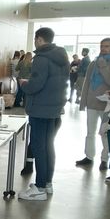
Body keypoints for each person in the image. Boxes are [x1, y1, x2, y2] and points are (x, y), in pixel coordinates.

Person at [17, 27, 69, 201]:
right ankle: (47, 183)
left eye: (35, 39)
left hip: (40, 109)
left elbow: (35, 85)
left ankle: (39, 187)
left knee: (39, 147)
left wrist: (24, 83)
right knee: (48, 146)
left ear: (39, 39)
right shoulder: (61, 57)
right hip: (54, 108)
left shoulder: (41, 58)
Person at [76, 38, 110, 170]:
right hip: (91, 102)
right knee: (90, 132)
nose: (103, 48)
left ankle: (104, 159)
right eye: (102, 46)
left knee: (104, 133)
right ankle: (89, 157)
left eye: (106, 46)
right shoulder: (93, 63)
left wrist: (103, 66)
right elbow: (87, 83)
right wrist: (83, 101)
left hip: (106, 104)